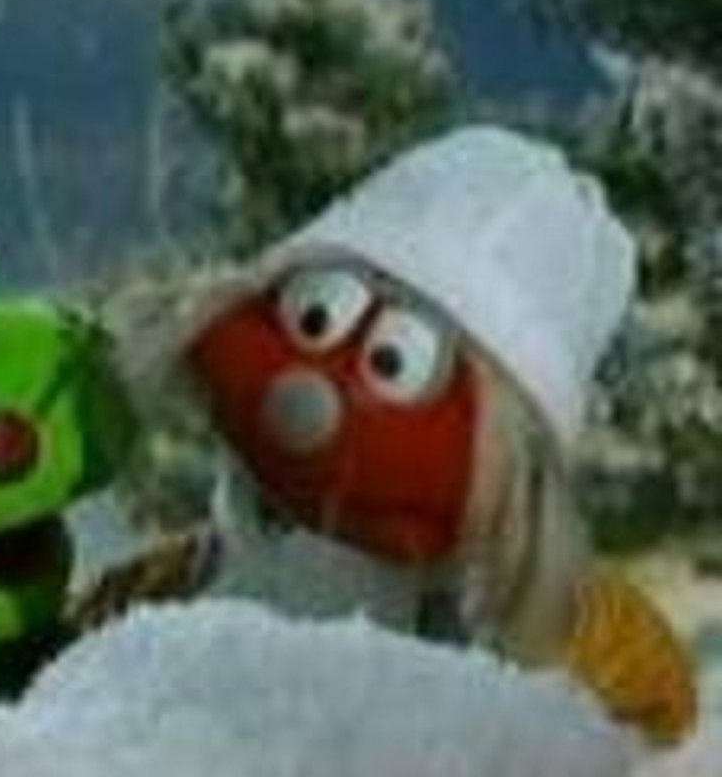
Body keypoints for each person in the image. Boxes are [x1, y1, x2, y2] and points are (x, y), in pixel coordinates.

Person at [72, 125, 698, 746]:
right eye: (314, 316)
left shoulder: (554, 629)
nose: (312, 392)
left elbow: (660, 720)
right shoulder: (195, 573)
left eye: (394, 362)